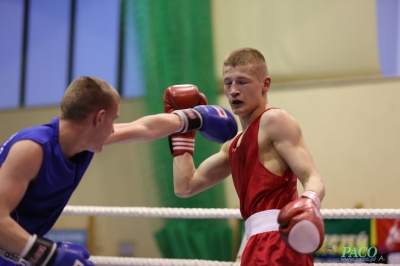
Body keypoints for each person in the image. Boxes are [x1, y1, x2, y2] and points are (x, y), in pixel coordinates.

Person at [0, 77, 237, 266]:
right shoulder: (32, 149)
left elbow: (143, 128)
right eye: (113, 120)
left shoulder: (82, 141)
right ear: (100, 118)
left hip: (12, 249)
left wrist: (194, 118)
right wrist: (46, 254)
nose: (114, 128)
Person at [166, 48, 326, 266]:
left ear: (265, 84)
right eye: (228, 82)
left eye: (242, 82)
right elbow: (185, 186)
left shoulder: (274, 120)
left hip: (278, 244)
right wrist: (182, 133)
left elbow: (312, 177)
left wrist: (309, 201)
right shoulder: (233, 145)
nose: (233, 91)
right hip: (253, 242)